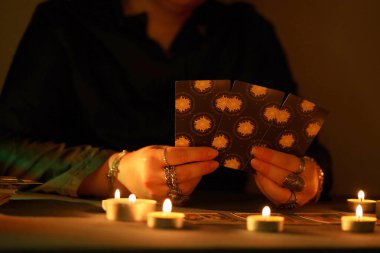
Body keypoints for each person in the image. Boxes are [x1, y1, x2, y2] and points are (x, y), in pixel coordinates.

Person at [0, 0, 332, 208]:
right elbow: (6, 149)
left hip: (218, 238)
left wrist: (310, 179)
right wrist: (113, 172)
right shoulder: (64, 20)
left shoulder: (246, 32)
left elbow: (309, 154)